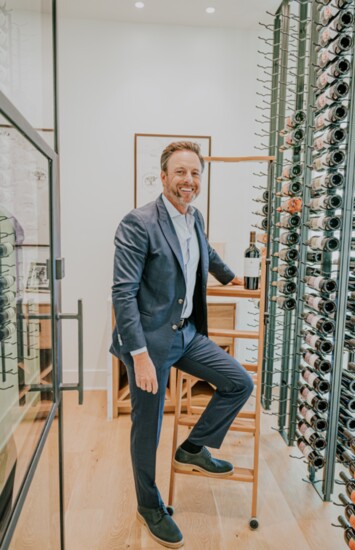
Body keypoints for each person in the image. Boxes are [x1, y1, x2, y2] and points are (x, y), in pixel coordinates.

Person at [110, 141, 254, 548]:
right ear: (164, 177)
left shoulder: (194, 217)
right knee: (148, 431)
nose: (188, 181)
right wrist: (137, 356)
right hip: (149, 345)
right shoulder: (138, 222)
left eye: (194, 173)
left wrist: (232, 279)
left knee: (239, 382)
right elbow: (123, 294)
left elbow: (203, 252)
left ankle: (193, 447)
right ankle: (148, 505)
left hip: (187, 334)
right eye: (180, 172)